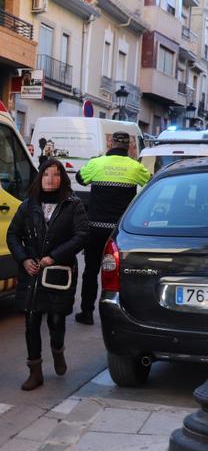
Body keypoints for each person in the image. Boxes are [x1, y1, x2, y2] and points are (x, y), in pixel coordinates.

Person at [7, 159, 89, 390]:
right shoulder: (28, 205)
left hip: (58, 272)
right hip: (32, 272)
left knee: (56, 319)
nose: (50, 179)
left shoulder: (73, 205)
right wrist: (24, 259)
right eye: (46, 175)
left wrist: (54, 256)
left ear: (62, 178)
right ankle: (35, 371)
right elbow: (13, 235)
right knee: (31, 321)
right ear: (39, 178)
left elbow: (82, 235)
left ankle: (58, 350)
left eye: (55, 175)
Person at [74, 131, 151, 325]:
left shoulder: (97, 163)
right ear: (129, 147)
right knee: (120, 274)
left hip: (95, 228)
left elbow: (80, 179)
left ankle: (87, 313)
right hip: (119, 233)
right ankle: (121, 316)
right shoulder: (136, 167)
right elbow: (150, 184)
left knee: (91, 270)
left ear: (110, 144)